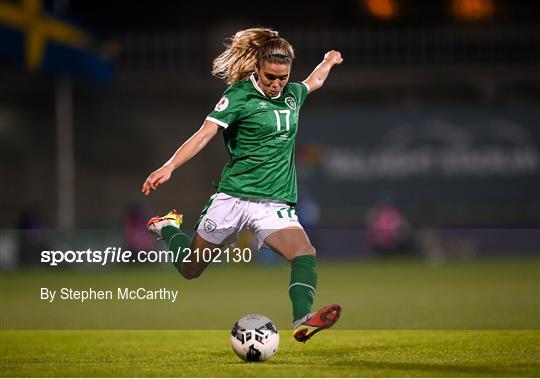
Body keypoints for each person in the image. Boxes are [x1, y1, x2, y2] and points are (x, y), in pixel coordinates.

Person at [141, 27, 342, 343]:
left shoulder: (292, 94)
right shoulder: (238, 96)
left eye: (283, 77)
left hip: (274, 203)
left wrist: (328, 61)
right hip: (233, 199)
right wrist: (170, 165)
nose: (276, 84)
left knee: (305, 253)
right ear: (257, 68)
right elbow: (204, 134)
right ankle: (167, 227)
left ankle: (303, 319)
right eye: (270, 77)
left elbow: (313, 81)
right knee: (191, 269)